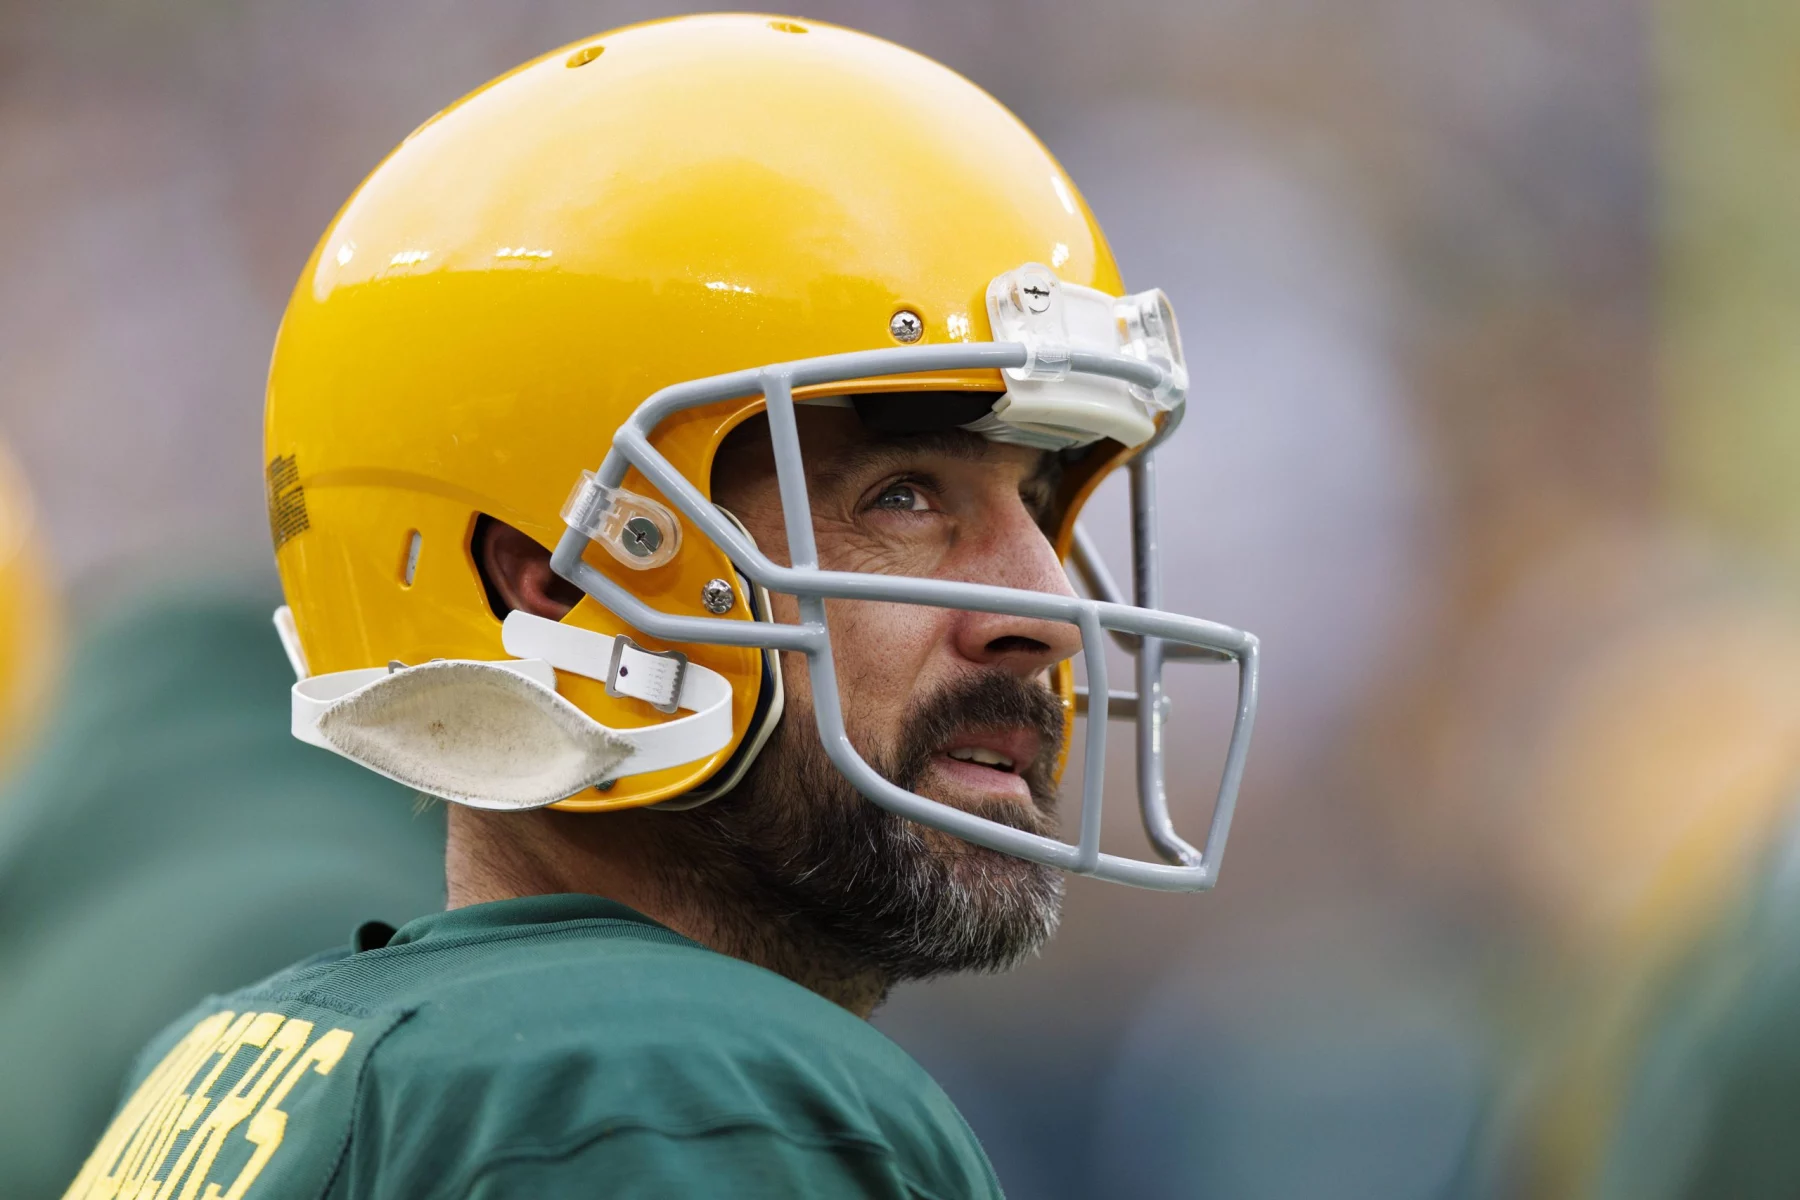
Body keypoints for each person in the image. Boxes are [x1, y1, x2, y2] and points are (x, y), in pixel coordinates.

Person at [61, 14, 1258, 1197]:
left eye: (1040, 505)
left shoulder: (237, 1068)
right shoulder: (664, 1084)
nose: (1047, 609)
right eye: (903, 497)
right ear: (553, 577)